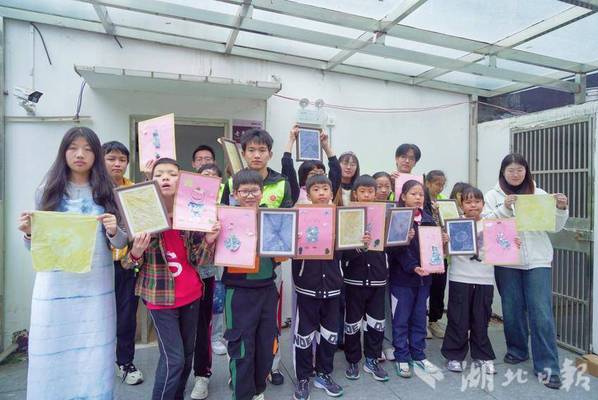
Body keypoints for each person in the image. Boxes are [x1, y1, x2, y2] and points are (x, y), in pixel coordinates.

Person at [18, 127, 128, 399]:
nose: (80, 155)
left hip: (96, 288)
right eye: (73, 148)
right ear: (63, 152)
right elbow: (35, 246)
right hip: (55, 287)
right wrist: (29, 233)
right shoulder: (47, 191)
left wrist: (114, 230)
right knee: (52, 349)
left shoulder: (108, 191)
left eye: (88, 149)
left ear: (96, 155)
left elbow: (121, 242)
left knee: (95, 351)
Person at [122, 158, 221, 400]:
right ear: (150, 180)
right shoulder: (141, 214)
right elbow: (127, 263)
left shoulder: (190, 213)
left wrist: (209, 240)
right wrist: (136, 252)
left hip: (192, 295)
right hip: (160, 298)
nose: (165, 178)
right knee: (173, 359)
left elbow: (199, 260)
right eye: (159, 174)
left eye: (172, 174)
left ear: (182, 180)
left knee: (186, 356)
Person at [484, 153, 568, 390]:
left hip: (537, 260)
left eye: (519, 170)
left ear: (526, 171)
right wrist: (504, 207)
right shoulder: (493, 196)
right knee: (512, 309)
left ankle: (548, 367)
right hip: (507, 261)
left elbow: (555, 227)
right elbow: (486, 223)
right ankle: (517, 350)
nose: (515, 174)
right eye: (510, 170)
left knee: (541, 313)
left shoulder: (539, 194)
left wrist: (561, 208)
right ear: (503, 172)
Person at [292, 175, 369, 400]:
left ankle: (324, 373)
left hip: (334, 287)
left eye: (325, 188)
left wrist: (360, 245)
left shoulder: (340, 218)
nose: (322, 193)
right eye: (316, 189)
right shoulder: (299, 217)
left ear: (332, 191)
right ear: (308, 193)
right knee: (304, 335)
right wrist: (294, 240)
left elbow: (346, 254)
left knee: (329, 334)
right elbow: (289, 249)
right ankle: (303, 378)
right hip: (307, 287)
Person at [222, 169, 280, 400]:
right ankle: (242, 395)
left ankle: (257, 391)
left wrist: (291, 241)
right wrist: (212, 236)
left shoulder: (272, 218)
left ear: (262, 192)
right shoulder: (225, 218)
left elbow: (281, 253)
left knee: (266, 347)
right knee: (242, 348)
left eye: (254, 190)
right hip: (239, 292)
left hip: (267, 289)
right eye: (244, 191)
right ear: (235, 194)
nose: (249, 195)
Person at [441, 186, 510, 375]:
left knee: (481, 318)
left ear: (483, 204)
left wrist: (513, 243)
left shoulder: (492, 223)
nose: (473, 205)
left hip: (484, 278)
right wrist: (444, 242)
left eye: (477, 201)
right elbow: (445, 254)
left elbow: (504, 246)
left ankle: (482, 355)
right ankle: (454, 356)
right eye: (468, 202)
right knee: (458, 317)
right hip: (460, 277)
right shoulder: (454, 224)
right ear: (461, 205)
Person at [387, 179, 444, 378]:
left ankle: (419, 355)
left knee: (420, 319)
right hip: (402, 280)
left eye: (421, 194)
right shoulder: (397, 218)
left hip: (424, 280)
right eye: (413, 194)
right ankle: (402, 356)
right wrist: (411, 261)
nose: (418, 197)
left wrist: (442, 244)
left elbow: (433, 249)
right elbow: (393, 251)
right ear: (403, 196)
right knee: (401, 320)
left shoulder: (428, 220)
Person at [102, 140, 144, 385]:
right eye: (111, 159)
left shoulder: (134, 190)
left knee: (127, 316)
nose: (117, 164)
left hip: (127, 262)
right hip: (98, 266)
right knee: (99, 315)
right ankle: (98, 361)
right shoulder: (93, 189)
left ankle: (125, 362)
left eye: (122, 159)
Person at [342, 175, 389, 382]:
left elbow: (391, 248)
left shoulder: (384, 215)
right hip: (354, 279)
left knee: (376, 322)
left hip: (378, 278)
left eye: (371, 191)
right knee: (352, 323)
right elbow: (343, 254)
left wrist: (402, 237)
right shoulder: (347, 216)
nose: (367, 195)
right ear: (355, 194)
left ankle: (372, 358)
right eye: (363, 191)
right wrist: (359, 247)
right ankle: (353, 359)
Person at [189, 163, 227, 399]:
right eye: (205, 175)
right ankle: (177, 374)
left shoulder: (224, 207)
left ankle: (202, 375)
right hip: (179, 275)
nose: (209, 179)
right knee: (182, 331)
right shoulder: (183, 203)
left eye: (214, 176)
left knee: (203, 327)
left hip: (206, 274)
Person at [281, 125, 341, 205]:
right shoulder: (296, 193)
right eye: (313, 174)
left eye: (321, 173)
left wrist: (326, 146)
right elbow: (287, 167)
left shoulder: (327, 190)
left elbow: (336, 170)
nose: (318, 176)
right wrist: (291, 140)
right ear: (304, 178)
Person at [423, 170, 448, 339]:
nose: (440, 188)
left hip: (442, 250)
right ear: (428, 183)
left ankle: (434, 320)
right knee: (425, 287)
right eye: (438, 184)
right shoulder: (421, 200)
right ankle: (422, 321)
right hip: (426, 250)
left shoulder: (444, 201)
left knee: (439, 287)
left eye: (443, 185)